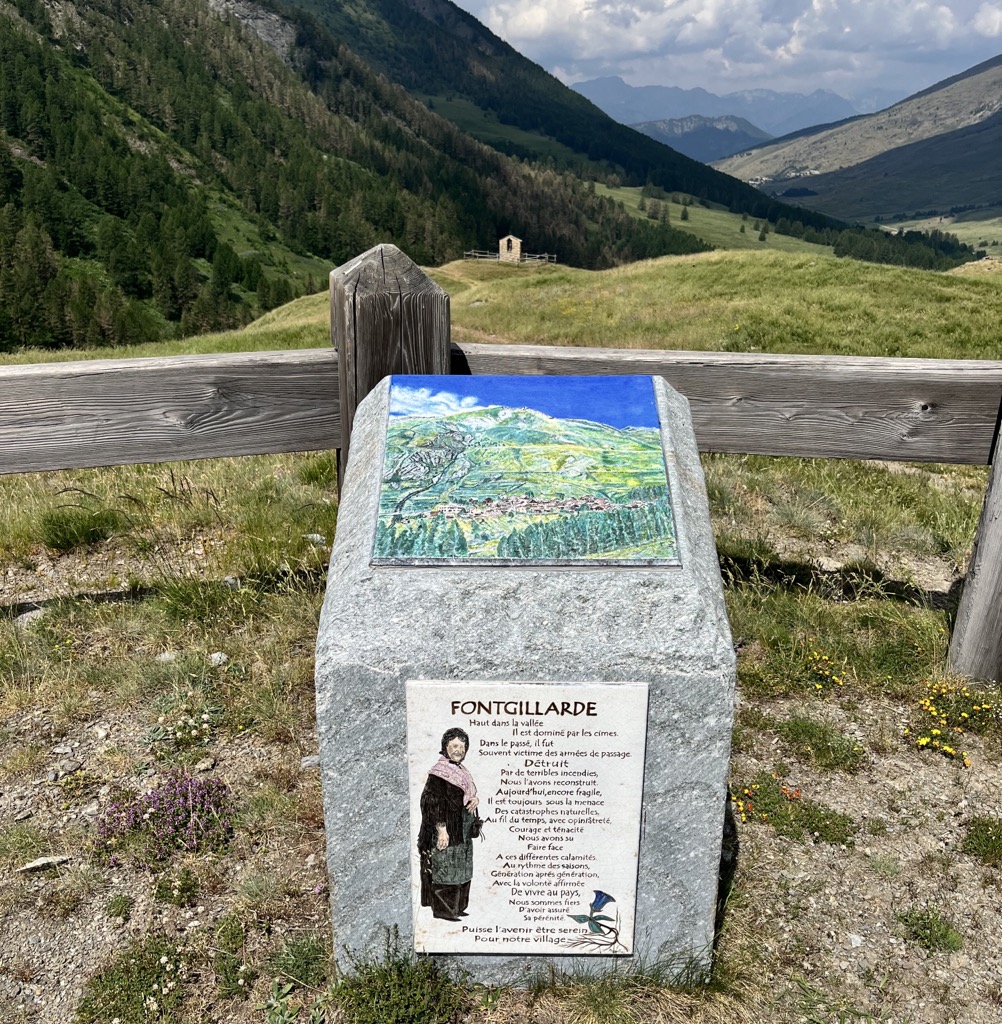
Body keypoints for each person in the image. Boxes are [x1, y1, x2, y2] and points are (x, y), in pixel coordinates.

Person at [418, 727, 479, 921]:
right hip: (446, 829)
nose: (458, 750)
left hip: (462, 828)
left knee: (461, 867)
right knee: (445, 867)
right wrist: (441, 829)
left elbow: (464, 796)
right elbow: (430, 802)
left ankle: (457, 907)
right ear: (445, 747)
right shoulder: (438, 773)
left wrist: (474, 800)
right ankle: (444, 911)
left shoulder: (460, 770)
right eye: (454, 746)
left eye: (462, 746)